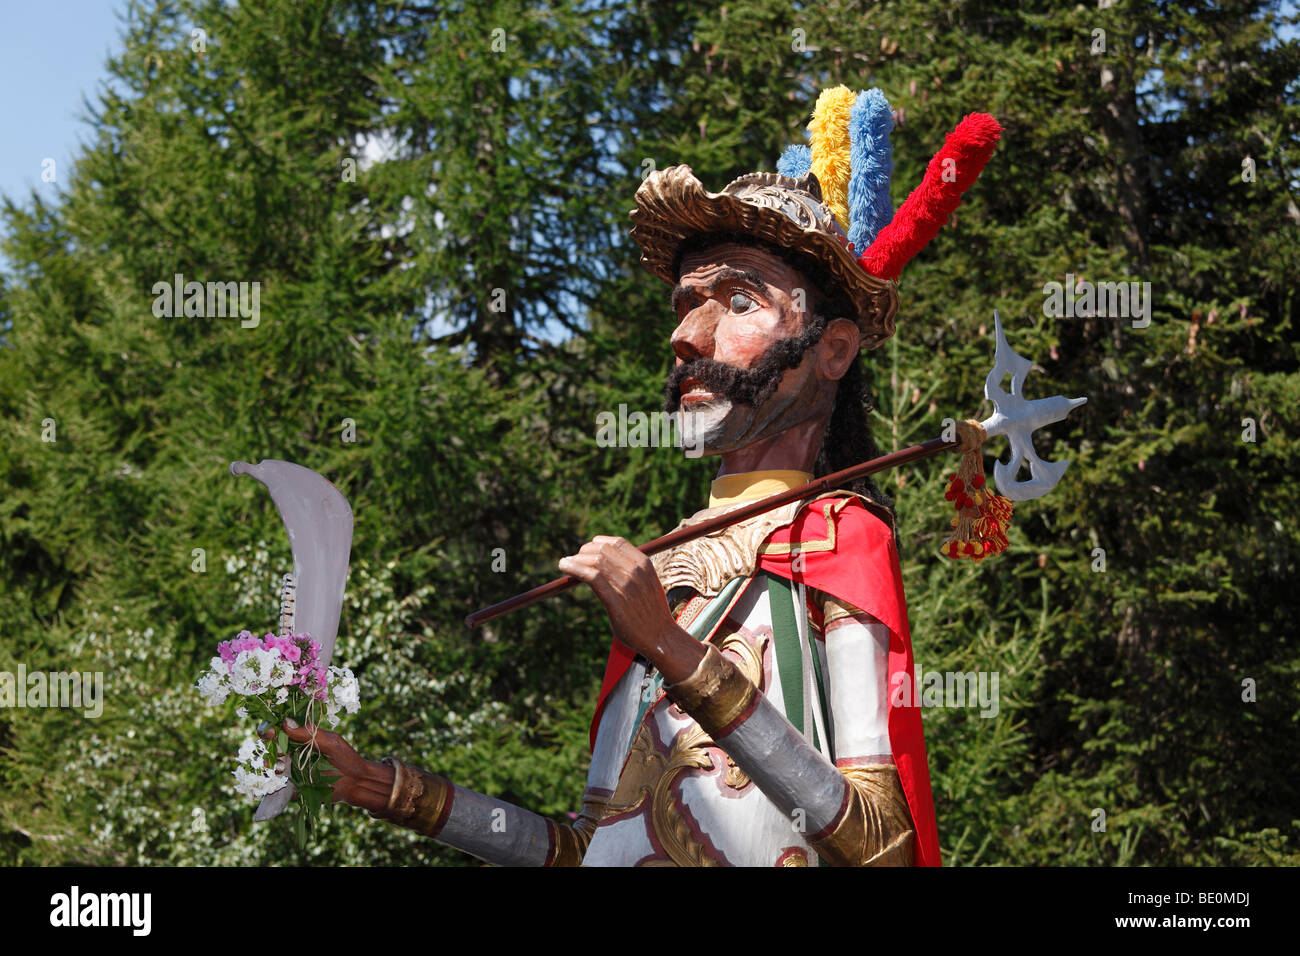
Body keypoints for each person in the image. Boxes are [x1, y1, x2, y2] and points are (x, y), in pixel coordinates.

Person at [282, 90, 1001, 866]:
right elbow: (593, 844)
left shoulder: (837, 535)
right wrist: (392, 791)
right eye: (686, 305)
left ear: (832, 351)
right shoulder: (664, 565)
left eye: (737, 301)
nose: (686, 336)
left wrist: (669, 645)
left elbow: (882, 843)